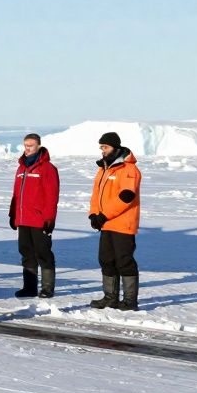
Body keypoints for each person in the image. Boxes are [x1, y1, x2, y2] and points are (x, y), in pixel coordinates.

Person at [89, 131, 142, 311]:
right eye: (101, 147)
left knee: (124, 261)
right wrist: (94, 214)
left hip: (123, 224)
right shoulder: (103, 168)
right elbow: (96, 194)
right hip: (106, 224)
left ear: (115, 147)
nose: (102, 150)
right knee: (106, 260)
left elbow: (126, 197)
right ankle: (110, 298)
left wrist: (104, 215)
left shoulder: (129, 169)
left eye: (105, 147)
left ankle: (129, 301)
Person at [9, 133, 60, 298]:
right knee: (26, 252)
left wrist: (49, 219)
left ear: (38, 146)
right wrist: (13, 214)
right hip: (23, 219)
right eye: (25, 145)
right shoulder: (21, 168)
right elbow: (16, 194)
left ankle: (47, 288)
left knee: (43, 253)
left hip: (39, 220)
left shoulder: (47, 168)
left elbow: (52, 195)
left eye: (30, 145)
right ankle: (29, 288)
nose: (27, 148)